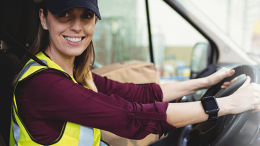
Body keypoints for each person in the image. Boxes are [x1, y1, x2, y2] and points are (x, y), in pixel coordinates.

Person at [10, 0, 260, 145]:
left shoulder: (72, 73)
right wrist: (224, 106)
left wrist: (207, 82)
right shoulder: (44, 85)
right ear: (44, 19)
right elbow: (131, 117)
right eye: (64, 15)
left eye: (86, 16)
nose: (76, 26)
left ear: (94, 22)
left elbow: (138, 94)